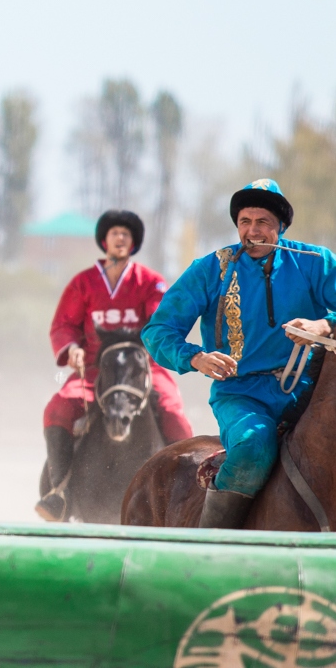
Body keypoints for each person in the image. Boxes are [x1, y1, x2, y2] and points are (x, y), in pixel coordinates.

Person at [142, 179, 336, 529]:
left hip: (310, 392)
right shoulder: (209, 269)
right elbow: (157, 331)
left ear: (281, 226)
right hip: (242, 394)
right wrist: (195, 357)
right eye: (245, 221)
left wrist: (325, 325)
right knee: (250, 450)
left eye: (262, 222)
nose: (253, 230)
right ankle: (213, 549)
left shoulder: (316, 263)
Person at [37, 210, 194, 522]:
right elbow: (64, 326)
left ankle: (187, 495)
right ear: (104, 240)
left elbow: (159, 322)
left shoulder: (151, 282)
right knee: (57, 407)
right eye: (114, 233)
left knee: (175, 413)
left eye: (126, 234)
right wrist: (71, 350)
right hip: (94, 371)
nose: (120, 238)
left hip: (143, 367)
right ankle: (59, 492)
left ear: (133, 242)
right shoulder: (82, 283)